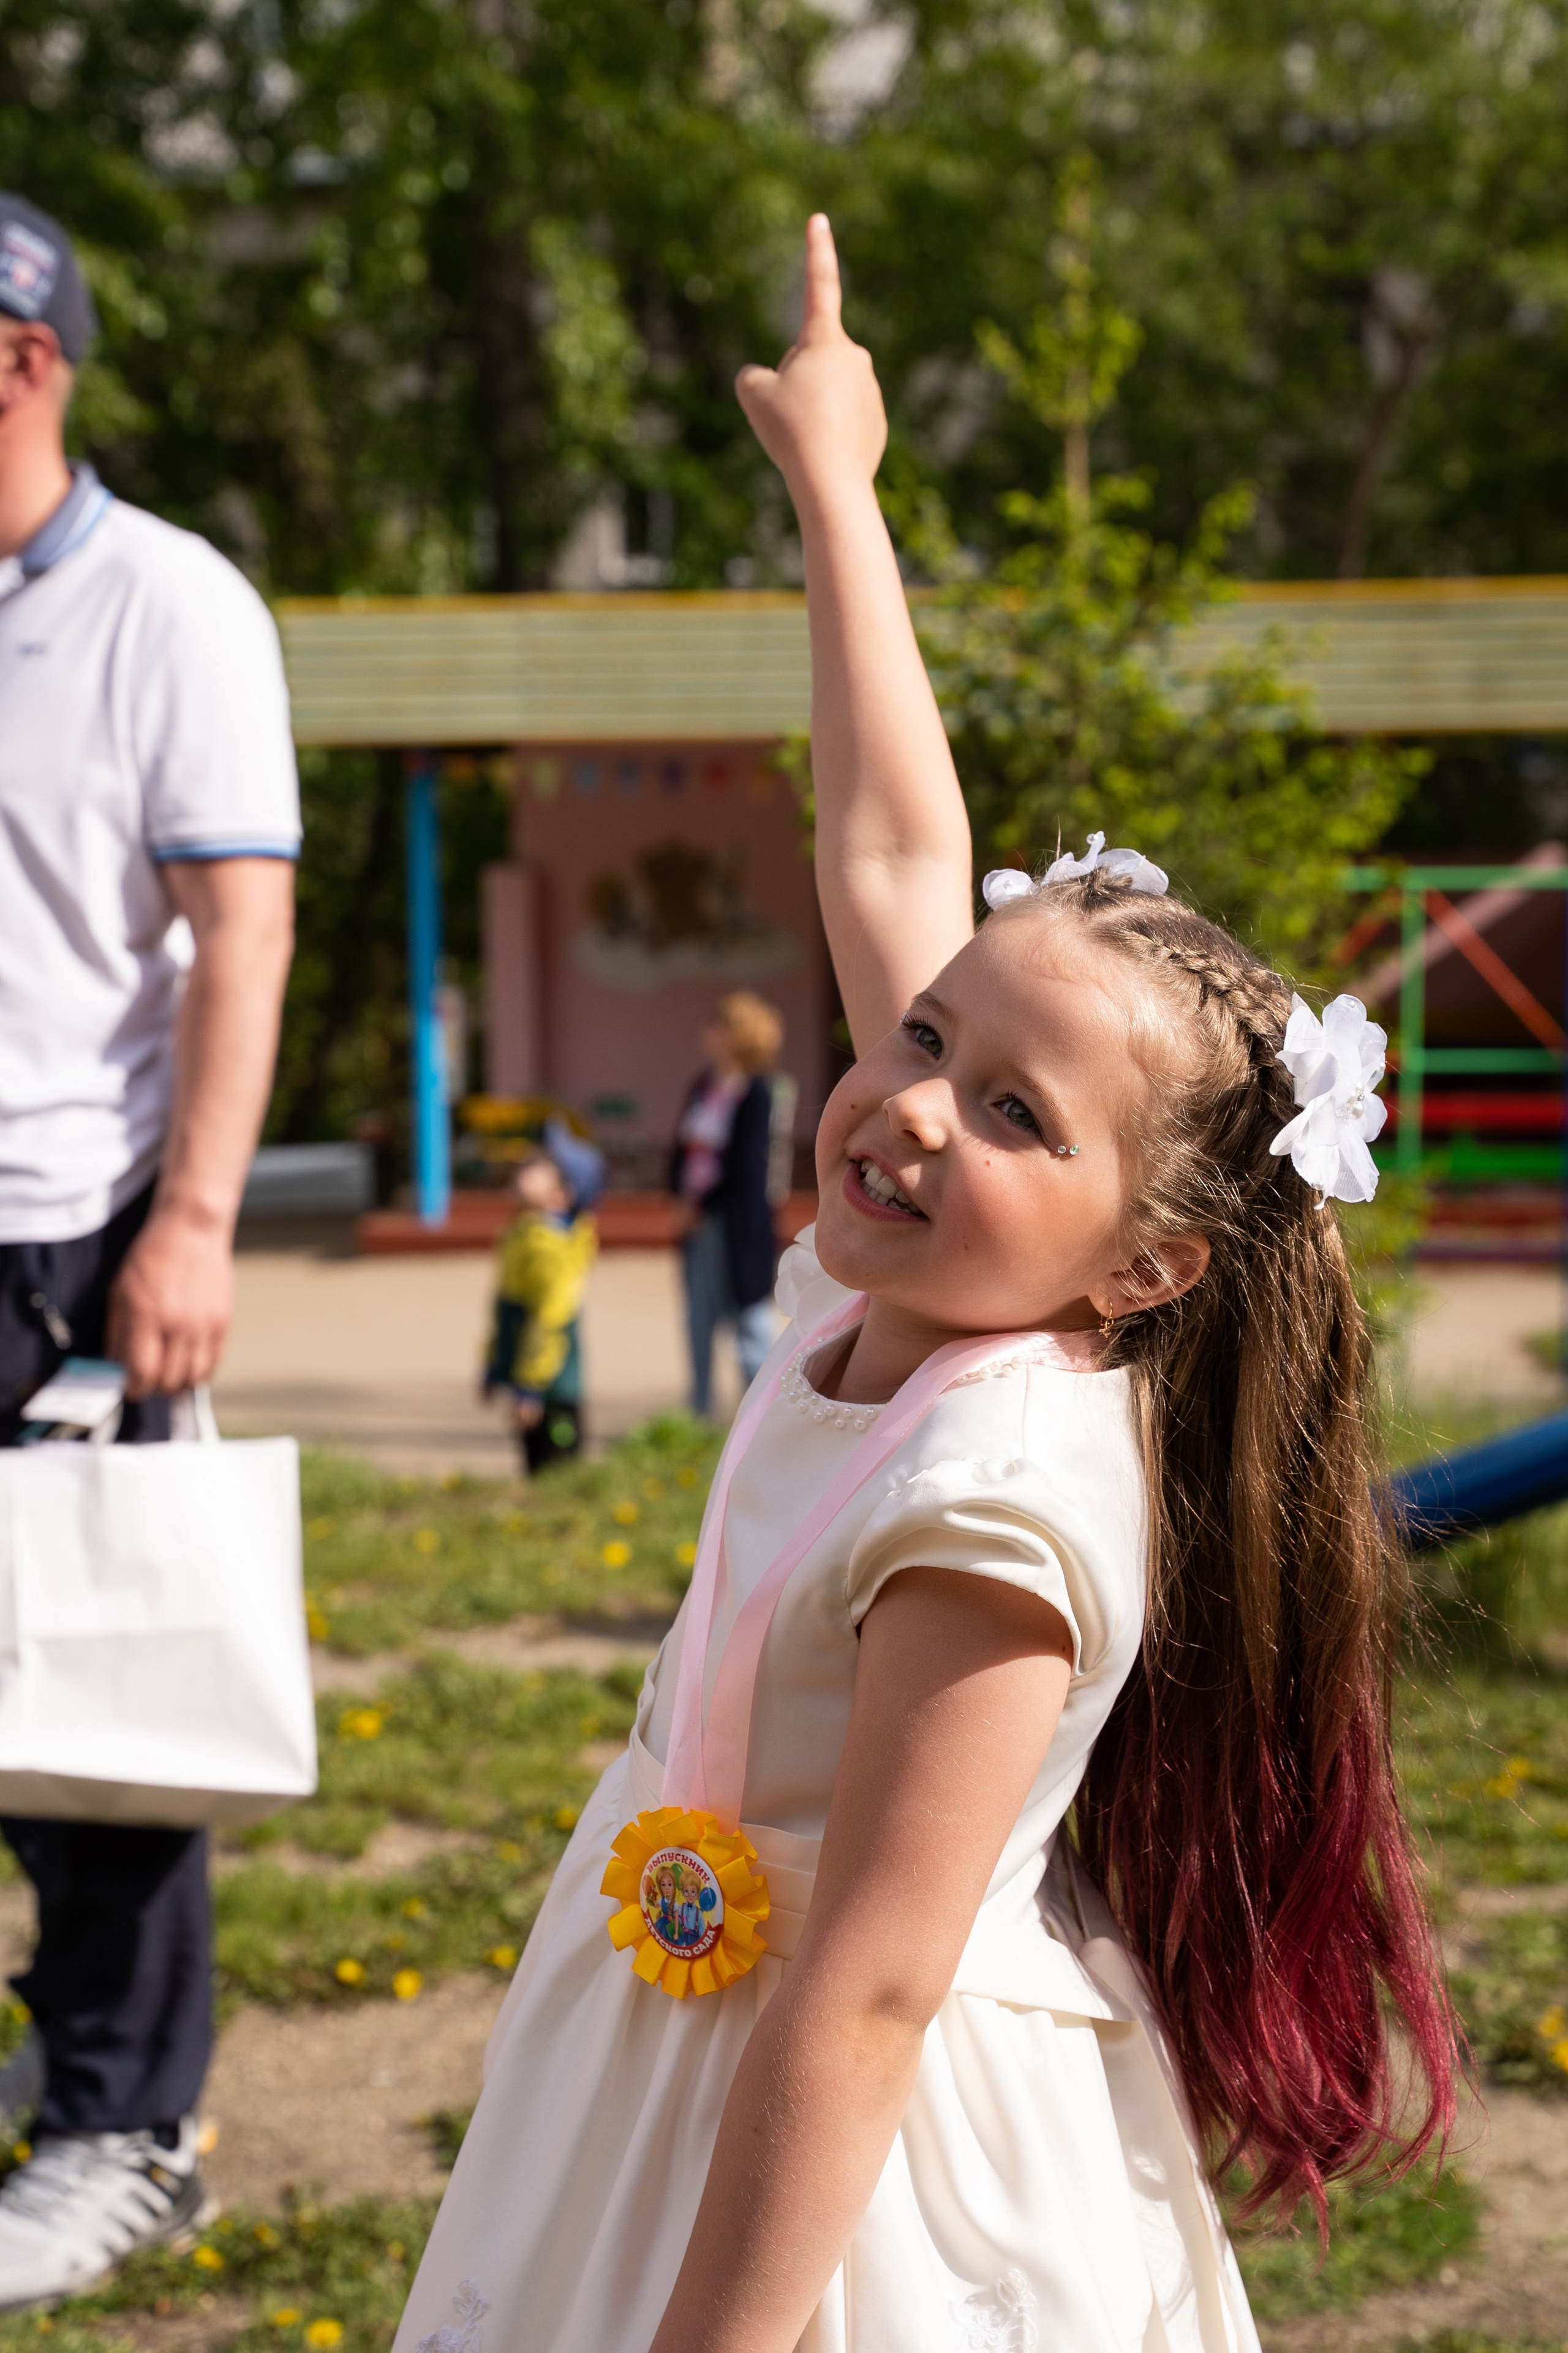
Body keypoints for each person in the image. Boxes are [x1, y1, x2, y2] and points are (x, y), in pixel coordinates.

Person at [390, 217, 1457, 2353]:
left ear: (1147, 1261)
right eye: (921, 1036)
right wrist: (837, 487)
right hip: (673, 2048)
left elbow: (871, 1989)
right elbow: (890, 849)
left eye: (1014, 1112)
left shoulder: (999, 1499)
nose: (912, 1106)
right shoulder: (899, 1288)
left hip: (855, 2182)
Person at [0, 194, 297, 2303]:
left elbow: (238, 934)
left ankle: (125, 2125)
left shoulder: (167, 605)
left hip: (71, 1230)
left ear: (22, 360)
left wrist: (191, 1220)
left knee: (94, 1690)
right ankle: (78, 2070)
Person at [671, 991, 785, 1418]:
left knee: (748, 1316)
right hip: (698, 1221)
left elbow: (746, 1166)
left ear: (740, 1035)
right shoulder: (703, 1085)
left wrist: (699, 1204)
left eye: (720, 1025)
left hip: (737, 1224)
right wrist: (680, 1199)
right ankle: (700, 1408)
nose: (709, 1032)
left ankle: (760, 1414)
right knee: (699, 1313)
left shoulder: (757, 1094)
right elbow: (683, 1148)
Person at [481, 1122, 604, 1475]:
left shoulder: (554, 1249)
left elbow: (549, 1320)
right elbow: (505, 1308)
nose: (526, 1166)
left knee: (557, 1468)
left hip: (552, 1388)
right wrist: (496, 1363)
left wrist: (531, 1387)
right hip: (528, 1373)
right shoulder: (525, 1232)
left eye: (541, 1167)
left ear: (562, 1194)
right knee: (534, 1465)